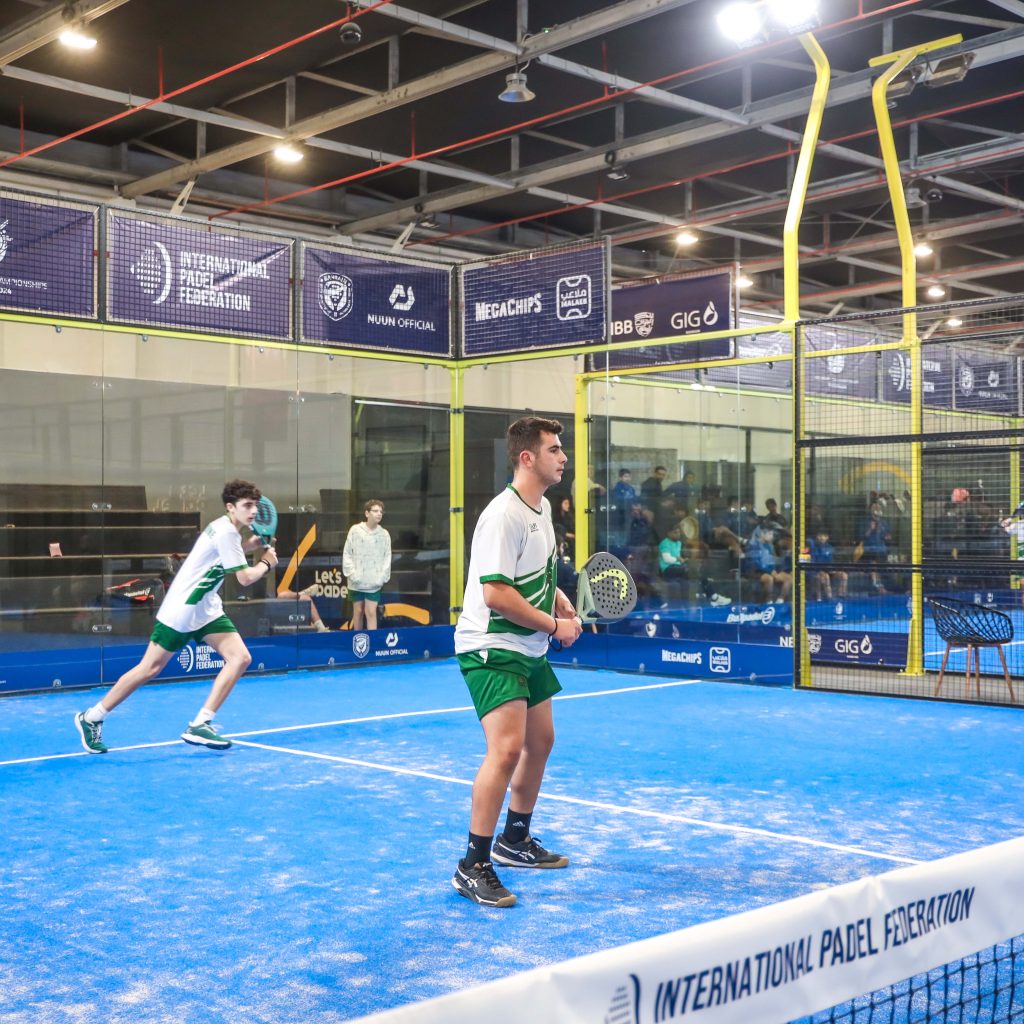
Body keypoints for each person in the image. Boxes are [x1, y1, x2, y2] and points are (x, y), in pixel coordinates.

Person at [451, 416, 582, 909]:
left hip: (527, 646)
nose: (563, 457)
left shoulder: (541, 508)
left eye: (561, 449)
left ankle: (515, 839)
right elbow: (497, 594)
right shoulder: (502, 515)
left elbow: (533, 572)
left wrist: (558, 598)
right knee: (506, 750)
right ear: (527, 458)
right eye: (553, 450)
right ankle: (472, 865)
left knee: (540, 741)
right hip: (491, 646)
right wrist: (554, 625)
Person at [73, 479, 279, 754]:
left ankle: (200, 723)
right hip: (183, 609)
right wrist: (266, 563)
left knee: (240, 658)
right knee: (149, 669)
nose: (253, 511)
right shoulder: (227, 533)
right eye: (247, 505)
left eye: (255, 506)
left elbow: (218, 558)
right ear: (231, 507)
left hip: (206, 608)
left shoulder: (223, 527)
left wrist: (249, 547)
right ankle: (92, 717)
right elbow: (244, 578)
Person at [343, 498, 392, 630]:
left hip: (374, 583)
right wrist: (352, 574)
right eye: (375, 511)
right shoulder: (355, 530)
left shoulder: (384, 534)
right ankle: (358, 640)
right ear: (367, 513)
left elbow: (387, 557)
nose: (379, 514)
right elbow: (347, 553)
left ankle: (372, 641)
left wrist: (381, 578)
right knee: (358, 611)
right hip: (356, 581)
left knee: (370, 612)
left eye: (381, 511)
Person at [657, 523, 731, 607]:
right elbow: (667, 559)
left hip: (679, 567)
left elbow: (680, 557)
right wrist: (678, 559)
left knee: (699, 574)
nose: (677, 534)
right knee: (695, 573)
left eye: (678, 532)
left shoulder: (678, 543)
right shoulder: (665, 543)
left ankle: (711, 595)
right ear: (668, 533)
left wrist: (683, 560)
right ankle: (714, 597)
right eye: (675, 532)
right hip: (668, 569)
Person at [808, 529, 848, 600]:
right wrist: (821, 570)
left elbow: (831, 561)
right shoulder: (814, 548)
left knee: (844, 575)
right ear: (817, 537)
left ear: (827, 537)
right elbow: (814, 562)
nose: (822, 537)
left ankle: (841, 595)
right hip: (818, 571)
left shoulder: (830, 547)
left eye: (824, 536)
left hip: (829, 570)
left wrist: (833, 569)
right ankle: (829, 597)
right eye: (820, 536)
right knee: (826, 576)